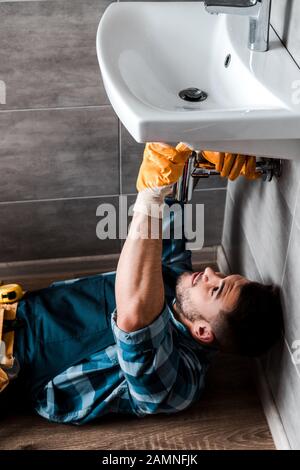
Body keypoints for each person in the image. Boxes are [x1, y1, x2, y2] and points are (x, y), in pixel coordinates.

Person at [0, 143, 283, 424]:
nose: (210, 271)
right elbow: (171, 202)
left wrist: (151, 194)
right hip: (11, 308)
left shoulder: (180, 384)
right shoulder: (178, 287)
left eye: (216, 288)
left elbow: (135, 319)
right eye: (222, 276)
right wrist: (203, 151)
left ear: (202, 331)